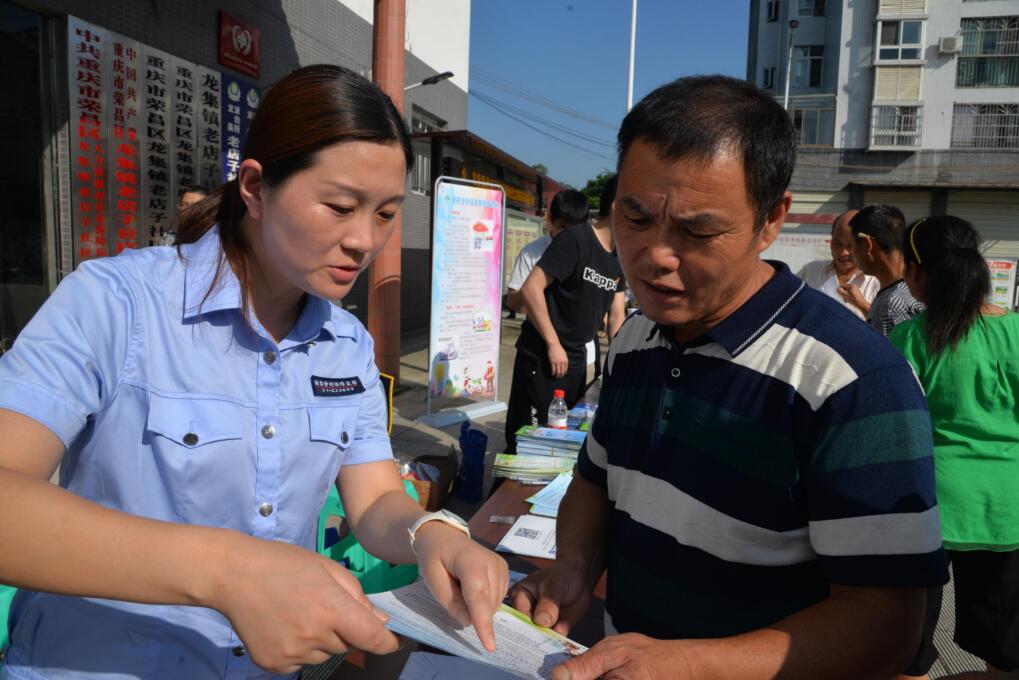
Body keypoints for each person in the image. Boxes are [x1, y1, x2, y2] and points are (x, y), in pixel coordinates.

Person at [0, 65, 507, 679]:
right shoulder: (116, 303)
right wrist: (230, 571)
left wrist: (431, 532)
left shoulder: (345, 344)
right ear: (256, 188)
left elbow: (373, 497)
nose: (363, 241)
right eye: (341, 206)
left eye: (385, 214)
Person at [510, 74, 948, 680]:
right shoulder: (636, 337)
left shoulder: (853, 378)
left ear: (772, 220)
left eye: (696, 230)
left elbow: (886, 621)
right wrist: (575, 567)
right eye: (634, 218)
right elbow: (593, 479)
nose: (656, 254)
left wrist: (689, 664)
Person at [891, 216, 1019, 680]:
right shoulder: (1017, 332)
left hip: (930, 506)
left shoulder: (910, 337)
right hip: (1008, 508)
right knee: (1006, 650)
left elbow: (898, 429)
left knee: (909, 643)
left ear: (918, 272)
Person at [503, 190, 626, 454]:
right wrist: (552, 343)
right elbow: (531, 288)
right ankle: (502, 493)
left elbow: (617, 316)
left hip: (576, 360)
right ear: (618, 207)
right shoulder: (575, 240)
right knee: (527, 441)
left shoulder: (619, 258)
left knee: (559, 441)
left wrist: (618, 365)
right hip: (543, 356)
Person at [843, 204, 925, 336]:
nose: (851, 253)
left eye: (852, 246)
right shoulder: (917, 289)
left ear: (867, 244)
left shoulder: (891, 306)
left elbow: (892, 356)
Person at [796, 209, 879, 320]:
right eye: (837, 243)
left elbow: (887, 330)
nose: (843, 252)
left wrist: (862, 305)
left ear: (865, 245)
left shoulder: (876, 282)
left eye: (850, 246)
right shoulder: (811, 271)